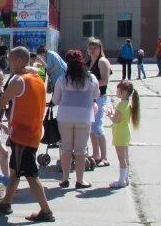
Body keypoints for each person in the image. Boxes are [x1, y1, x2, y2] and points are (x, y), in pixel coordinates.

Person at [0, 46, 54, 222]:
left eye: (11, 60)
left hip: (24, 135)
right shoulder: (37, 77)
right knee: (14, 171)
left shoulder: (18, 81)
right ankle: (6, 203)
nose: (9, 64)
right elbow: (36, 71)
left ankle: (46, 212)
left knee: (30, 175)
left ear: (20, 61)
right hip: (31, 131)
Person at [51, 50, 100, 189]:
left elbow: (55, 99)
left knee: (65, 148)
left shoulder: (63, 78)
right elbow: (96, 95)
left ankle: (65, 179)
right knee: (80, 150)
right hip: (84, 117)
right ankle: (80, 180)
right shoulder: (91, 78)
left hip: (65, 117)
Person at [106, 80, 140, 188]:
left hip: (120, 134)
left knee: (121, 158)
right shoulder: (127, 104)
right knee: (125, 157)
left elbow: (116, 120)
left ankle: (121, 181)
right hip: (125, 132)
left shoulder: (121, 105)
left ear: (124, 92)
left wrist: (110, 115)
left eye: (118, 89)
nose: (116, 91)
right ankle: (125, 179)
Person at [87, 38, 111, 167]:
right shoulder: (90, 61)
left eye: (94, 48)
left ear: (100, 48)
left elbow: (104, 81)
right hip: (91, 98)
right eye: (90, 48)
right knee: (91, 127)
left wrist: (90, 87)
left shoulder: (102, 61)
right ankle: (96, 154)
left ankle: (104, 157)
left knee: (98, 127)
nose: (92, 50)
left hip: (100, 97)